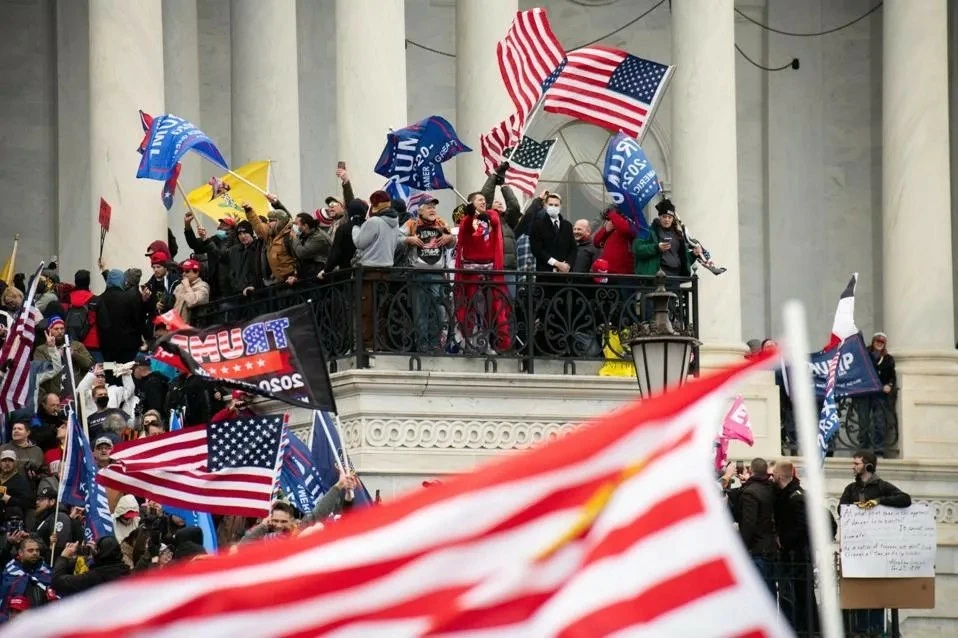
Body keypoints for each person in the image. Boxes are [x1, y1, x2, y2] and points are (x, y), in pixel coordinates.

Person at [839, 450, 911, 635]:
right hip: (857, 547)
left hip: (877, 548)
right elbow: (842, 509)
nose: (853, 467)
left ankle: (876, 629)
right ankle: (861, 629)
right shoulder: (851, 489)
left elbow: (905, 499)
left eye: (857, 463)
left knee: (877, 591)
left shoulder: (881, 486)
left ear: (868, 465)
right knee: (860, 591)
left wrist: (878, 502)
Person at [398, 194, 456, 351]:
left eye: (434, 206)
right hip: (418, 274)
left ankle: (436, 343)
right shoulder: (411, 224)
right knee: (420, 310)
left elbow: (453, 243)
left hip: (438, 275)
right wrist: (407, 240)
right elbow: (396, 238)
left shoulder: (442, 223)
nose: (433, 209)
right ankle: (422, 344)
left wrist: (448, 237)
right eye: (429, 206)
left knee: (439, 310)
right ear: (420, 210)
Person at [454, 192, 510, 353]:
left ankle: (487, 343)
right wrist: (471, 215)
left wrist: (484, 215)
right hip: (471, 272)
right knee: (471, 308)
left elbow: (494, 219)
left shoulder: (491, 216)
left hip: (490, 271)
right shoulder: (467, 219)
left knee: (491, 309)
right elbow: (465, 230)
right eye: (480, 200)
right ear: (472, 203)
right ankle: (469, 343)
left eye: (485, 200)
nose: (484, 202)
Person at [771, 461, 818, 635]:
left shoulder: (797, 497)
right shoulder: (785, 494)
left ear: (781, 477)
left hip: (799, 555)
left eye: (774, 475)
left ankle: (808, 630)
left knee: (803, 596)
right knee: (793, 596)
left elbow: (802, 526)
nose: (772, 477)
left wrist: (783, 540)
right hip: (790, 555)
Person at [735, 457, 777, 594]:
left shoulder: (750, 492)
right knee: (769, 591)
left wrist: (741, 547)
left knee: (758, 592)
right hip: (771, 546)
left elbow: (748, 524)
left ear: (751, 470)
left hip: (757, 548)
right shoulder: (772, 488)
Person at [632, 198, 702, 278]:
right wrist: (657, 248)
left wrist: (693, 254)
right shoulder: (647, 231)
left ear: (673, 219)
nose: (667, 220)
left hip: (675, 278)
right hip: (656, 278)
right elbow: (637, 249)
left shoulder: (678, 234)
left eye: (670, 217)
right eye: (664, 216)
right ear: (659, 217)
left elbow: (683, 258)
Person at [32, 315, 94, 397]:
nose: (60, 331)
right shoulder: (41, 350)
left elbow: (89, 365)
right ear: (49, 330)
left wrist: (74, 354)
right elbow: (40, 373)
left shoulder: (77, 345)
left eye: (62, 328)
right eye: (56, 329)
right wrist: (55, 354)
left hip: (77, 391)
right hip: (54, 395)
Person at [96, 264, 145, 363]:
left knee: (109, 371)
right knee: (125, 373)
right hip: (127, 346)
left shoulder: (99, 299)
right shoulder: (128, 298)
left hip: (107, 346)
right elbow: (137, 320)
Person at [52, 536, 130, 596]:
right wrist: (95, 555)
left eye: (97, 549)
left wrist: (64, 557)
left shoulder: (95, 576)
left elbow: (58, 582)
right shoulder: (126, 571)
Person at [243, 199, 297, 285]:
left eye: (271, 221)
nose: (268, 223)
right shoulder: (270, 235)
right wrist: (249, 210)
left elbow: (300, 259)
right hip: (277, 283)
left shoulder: (290, 237)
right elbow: (257, 225)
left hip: (291, 282)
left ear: (280, 221)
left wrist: (295, 275)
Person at [0, 535, 53, 621]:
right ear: (20, 553)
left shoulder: (46, 571)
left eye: (37, 550)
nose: (35, 553)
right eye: (30, 550)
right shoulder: (9, 572)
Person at [860, 332, 896, 454]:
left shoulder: (888, 359)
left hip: (879, 394)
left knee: (879, 421)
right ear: (873, 341)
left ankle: (878, 449)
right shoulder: (865, 355)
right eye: (877, 341)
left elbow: (892, 376)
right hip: (865, 392)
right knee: (863, 422)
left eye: (882, 342)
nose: (879, 344)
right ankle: (863, 448)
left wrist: (889, 385)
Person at [529, 193, 577, 276]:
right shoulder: (537, 225)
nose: (553, 207)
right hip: (545, 274)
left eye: (556, 205)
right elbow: (537, 250)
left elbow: (573, 248)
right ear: (545, 205)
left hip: (565, 274)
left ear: (560, 206)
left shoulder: (567, 225)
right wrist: (556, 263)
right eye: (550, 204)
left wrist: (568, 265)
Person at [64, 269, 101, 361]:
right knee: (96, 373)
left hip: (71, 342)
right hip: (92, 341)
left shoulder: (66, 298)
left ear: (75, 282)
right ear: (88, 282)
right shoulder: (95, 300)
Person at [30, 487, 75, 558]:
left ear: (52, 501)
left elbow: (58, 548)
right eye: (37, 499)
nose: (37, 502)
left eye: (41, 499)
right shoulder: (44, 518)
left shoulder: (59, 516)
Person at [223, 220, 264, 297]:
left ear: (251, 233)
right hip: (239, 293)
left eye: (245, 233)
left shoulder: (259, 246)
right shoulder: (235, 250)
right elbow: (221, 255)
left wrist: (253, 285)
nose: (243, 236)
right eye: (240, 234)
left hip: (256, 291)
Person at [592, 207, 636, 275]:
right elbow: (596, 242)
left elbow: (625, 229)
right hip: (606, 271)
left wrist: (612, 214)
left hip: (623, 272)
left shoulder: (630, 221)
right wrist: (606, 230)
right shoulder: (610, 223)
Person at [289, 212, 331, 281]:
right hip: (310, 272)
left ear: (305, 225)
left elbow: (301, 253)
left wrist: (294, 238)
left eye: (296, 223)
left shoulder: (318, 237)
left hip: (321, 274)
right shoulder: (305, 233)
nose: (294, 226)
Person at [171, 258, 210, 324]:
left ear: (196, 273)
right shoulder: (179, 287)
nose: (183, 274)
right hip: (176, 327)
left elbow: (192, 302)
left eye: (187, 271)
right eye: (182, 271)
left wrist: (187, 287)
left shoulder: (203, 286)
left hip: (194, 330)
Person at [0, 450, 32, 520]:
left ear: (15, 463)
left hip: (9, 520)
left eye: (10, 460)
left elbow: (27, 503)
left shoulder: (21, 481)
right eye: (4, 460)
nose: (7, 463)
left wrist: (7, 498)